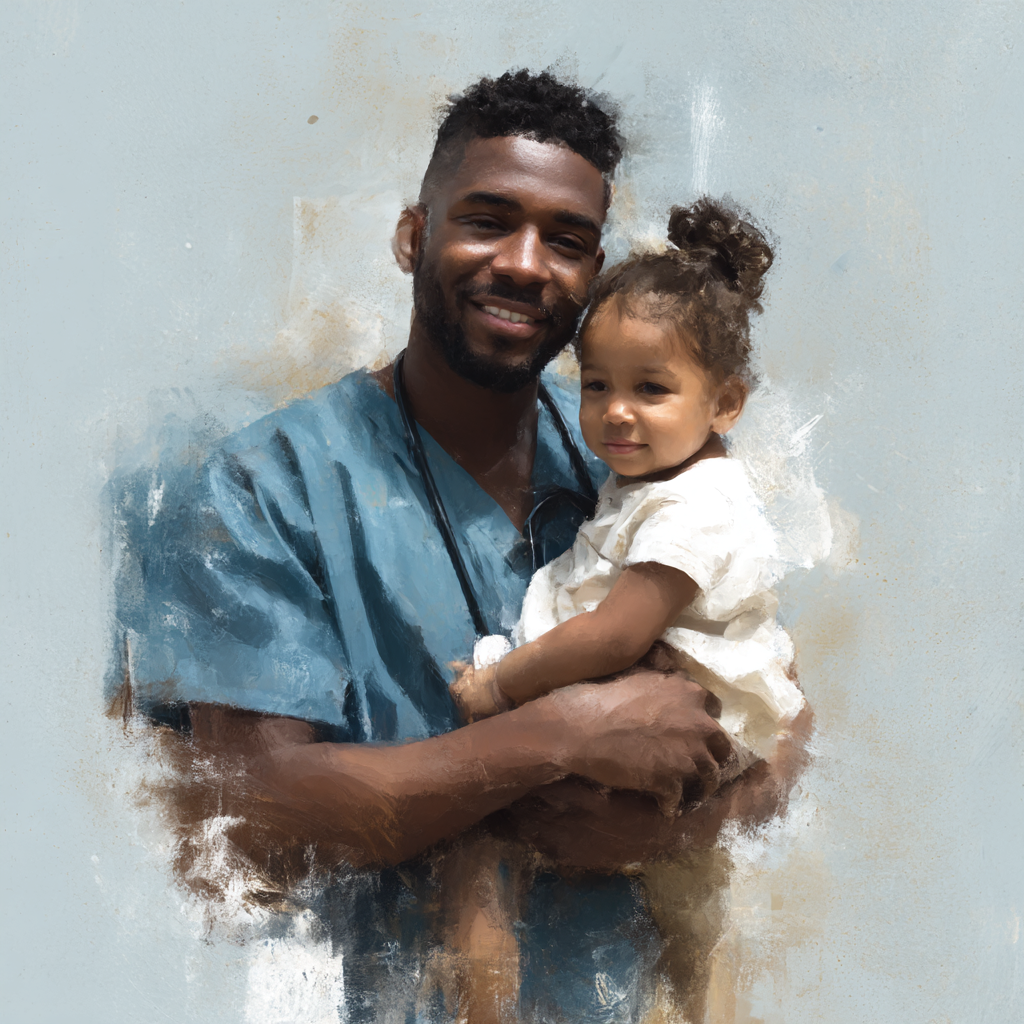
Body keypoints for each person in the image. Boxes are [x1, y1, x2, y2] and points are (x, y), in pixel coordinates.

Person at [111, 70, 812, 1023]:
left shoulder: (636, 450)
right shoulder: (266, 485)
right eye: (488, 220)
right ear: (414, 236)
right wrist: (562, 739)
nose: (527, 264)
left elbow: (780, 710)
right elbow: (259, 803)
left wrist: (676, 820)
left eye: (566, 241)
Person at [445, 197, 804, 1022]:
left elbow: (619, 631)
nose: (615, 412)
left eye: (651, 388)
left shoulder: (695, 507)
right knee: (679, 934)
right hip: (664, 722)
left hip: (675, 724)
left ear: (725, 405)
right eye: (597, 384)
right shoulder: (656, 481)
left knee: (479, 835)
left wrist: (500, 691)